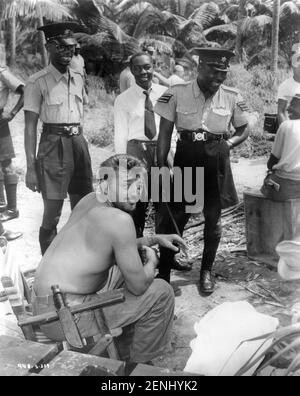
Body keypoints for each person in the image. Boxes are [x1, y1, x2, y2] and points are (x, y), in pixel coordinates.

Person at [32, 154, 186, 365]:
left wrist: (152, 239)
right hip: (64, 317)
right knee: (161, 291)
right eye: (126, 184)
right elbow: (140, 287)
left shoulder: (90, 199)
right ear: (105, 184)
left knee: (126, 267)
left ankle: (126, 343)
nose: (135, 192)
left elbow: (102, 246)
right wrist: (152, 262)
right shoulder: (120, 220)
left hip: (45, 304)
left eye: (139, 185)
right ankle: (139, 368)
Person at [154, 48, 249, 294]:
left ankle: (206, 270)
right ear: (200, 68)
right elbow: (165, 133)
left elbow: (243, 129)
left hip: (215, 161)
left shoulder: (231, 96)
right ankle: (164, 273)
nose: (218, 79)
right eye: (214, 74)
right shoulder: (176, 92)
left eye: (223, 74)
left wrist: (227, 144)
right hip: (187, 157)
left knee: (213, 219)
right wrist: (161, 163)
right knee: (175, 218)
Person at [114, 52, 191, 273]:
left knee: (167, 207)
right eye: (137, 68)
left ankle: (169, 257)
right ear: (131, 70)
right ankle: (137, 259)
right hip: (136, 152)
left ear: (153, 67)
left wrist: (173, 159)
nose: (143, 72)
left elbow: (174, 129)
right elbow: (120, 135)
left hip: (163, 150)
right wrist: (122, 167)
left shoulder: (166, 93)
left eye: (147, 67)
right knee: (136, 209)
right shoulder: (123, 99)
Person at [24, 22, 93, 255]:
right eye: (62, 48)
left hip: (78, 143)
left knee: (83, 207)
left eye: (72, 48)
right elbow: (30, 126)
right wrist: (30, 167)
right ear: (49, 47)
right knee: (52, 213)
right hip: (53, 146)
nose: (68, 53)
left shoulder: (78, 76)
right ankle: (50, 270)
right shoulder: (37, 81)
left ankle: (78, 260)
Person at [261, 95, 300, 201]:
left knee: (269, 179)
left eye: (293, 104)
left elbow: (271, 163)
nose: (288, 108)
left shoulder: (287, 126)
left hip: (287, 187)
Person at [0, 65, 24, 223]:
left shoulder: (1, 71)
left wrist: (12, 113)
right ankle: (1, 205)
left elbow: (26, 91)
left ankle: (12, 209)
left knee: (6, 164)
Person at [277, 43, 300, 126]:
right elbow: (281, 111)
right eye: (297, 65)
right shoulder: (285, 86)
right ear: (292, 67)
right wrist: (286, 130)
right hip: (292, 131)